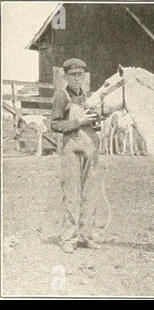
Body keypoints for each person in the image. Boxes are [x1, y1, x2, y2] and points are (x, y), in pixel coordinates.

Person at [51, 58, 102, 253]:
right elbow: (54, 124)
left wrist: (95, 119)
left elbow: (94, 125)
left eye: (80, 75)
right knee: (72, 194)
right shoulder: (61, 96)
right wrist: (77, 122)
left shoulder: (88, 96)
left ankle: (86, 235)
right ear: (66, 76)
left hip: (90, 148)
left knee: (90, 193)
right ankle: (69, 239)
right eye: (73, 75)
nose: (77, 79)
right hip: (72, 149)